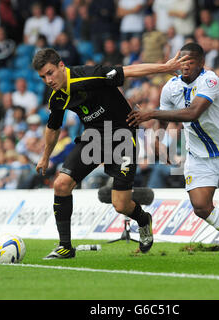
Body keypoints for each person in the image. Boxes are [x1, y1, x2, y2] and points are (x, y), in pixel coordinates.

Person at [32, 48, 189, 259]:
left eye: (50, 73)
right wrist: (45, 157)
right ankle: (65, 247)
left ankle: (143, 220)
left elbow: (129, 70)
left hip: (122, 135)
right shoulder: (57, 97)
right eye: (43, 77)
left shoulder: (90, 74)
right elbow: (53, 128)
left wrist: (165, 67)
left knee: (121, 205)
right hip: (94, 138)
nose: (48, 80)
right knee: (61, 184)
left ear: (61, 66)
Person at [127, 43, 219, 254]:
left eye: (191, 62)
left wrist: (152, 113)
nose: (185, 66)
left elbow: (192, 113)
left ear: (201, 63)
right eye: (182, 61)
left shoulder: (210, 80)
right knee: (201, 207)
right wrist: (158, 139)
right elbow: (165, 119)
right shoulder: (170, 88)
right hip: (198, 157)